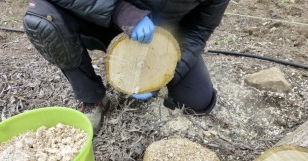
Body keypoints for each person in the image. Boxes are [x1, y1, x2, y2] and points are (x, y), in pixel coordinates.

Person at [23, 0, 230, 132]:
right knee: (42, 19)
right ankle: (93, 99)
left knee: (199, 102)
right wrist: (119, 10)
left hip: (162, 37)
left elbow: (199, 30)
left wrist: (164, 73)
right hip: (103, 21)